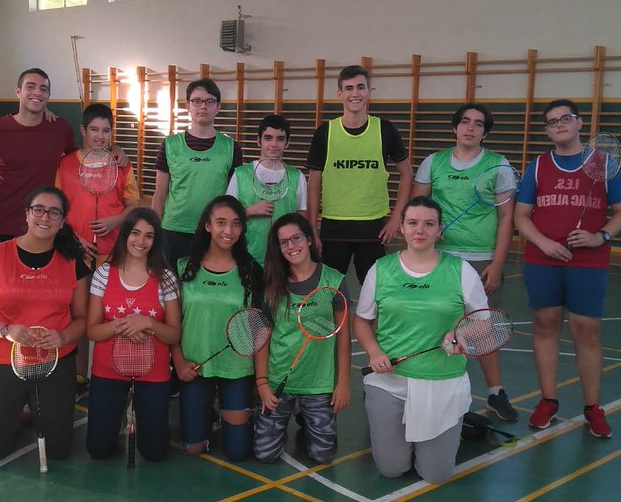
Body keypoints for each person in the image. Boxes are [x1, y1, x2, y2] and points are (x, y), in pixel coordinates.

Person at [513, 99, 621, 439]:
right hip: (542, 261)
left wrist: (601, 236)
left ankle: (593, 407)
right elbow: (522, 215)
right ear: (547, 131)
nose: (559, 124)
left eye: (566, 118)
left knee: (586, 330)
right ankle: (548, 400)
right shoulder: (537, 167)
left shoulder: (603, 164)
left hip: (588, 262)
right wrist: (544, 243)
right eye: (552, 122)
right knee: (545, 325)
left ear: (579, 123)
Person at [352, 196, 489, 484]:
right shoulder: (381, 269)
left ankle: (448, 431)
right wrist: (374, 351)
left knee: (435, 475)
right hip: (390, 383)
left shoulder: (461, 271)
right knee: (391, 469)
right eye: (413, 223)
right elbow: (362, 320)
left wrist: (461, 335)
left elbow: (484, 324)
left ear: (440, 230)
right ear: (401, 227)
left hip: (443, 383)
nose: (420, 230)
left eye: (429, 224)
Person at [0, 187, 90, 466]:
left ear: (63, 220)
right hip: (1, 359)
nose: (46, 217)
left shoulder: (73, 263)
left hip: (55, 361)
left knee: (58, 450)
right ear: (27, 214)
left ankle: (33, 405)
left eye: (54, 212)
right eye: (39, 209)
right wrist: (6, 330)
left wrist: (64, 336)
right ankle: (17, 407)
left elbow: (82, 319)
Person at [411, 102, 518, 423]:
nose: (471, 128)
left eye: (479, 124)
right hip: (439, 257)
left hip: (480, 259)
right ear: (455, 127)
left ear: (485, 132)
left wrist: (497, 263)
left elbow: (506, 218)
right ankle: (431, 388)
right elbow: (419, 206)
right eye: (465, 122)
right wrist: (428, 229)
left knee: (483, 329)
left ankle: (496, 391)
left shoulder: (498, 166)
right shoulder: (434, 162)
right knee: (434, 326)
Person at [85, 207, 182, 462]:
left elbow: (173, 334)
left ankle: (154, 423)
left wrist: (147, 322)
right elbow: (93, 330)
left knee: (154, 453)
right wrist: (126, 325)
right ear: (125, 234)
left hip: (153, 374)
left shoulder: (167, 278)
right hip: (107, 372)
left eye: (149, 236)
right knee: (98, 450)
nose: (141, 241)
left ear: (156, 240)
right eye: (135, 233)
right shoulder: (104, 274)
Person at [253, 213, 350, 465]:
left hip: (318, 383)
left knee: (323, 456)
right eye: (283, 242)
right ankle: (292, 416)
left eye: (296, 238)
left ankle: (306, 419)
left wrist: (342, 384)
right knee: (265, 455)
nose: (291, 246)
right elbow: (263, 336)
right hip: (278, 382)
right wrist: (262, 383)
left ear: (308, 240)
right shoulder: (272, 284)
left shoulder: (334, 281)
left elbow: (342, 338)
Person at [172, 196, 262, 460]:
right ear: (208, 226)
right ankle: (206, 415)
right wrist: (178, 362)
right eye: (221, 223)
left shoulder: (251, 271)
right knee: (193, 449)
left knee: (237, 452)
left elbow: (259, 328)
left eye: (236, 224)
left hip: (237, 370)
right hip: (194, 368)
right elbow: (172, 322)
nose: (228, 231)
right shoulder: (183, 267)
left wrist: (260, 381)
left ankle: (230, 413)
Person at [306, 64, 413, 287]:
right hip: (333, 226)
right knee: (328, 292)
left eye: (360, 87)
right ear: (340, 94)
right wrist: (312, 230)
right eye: (349, 88)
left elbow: (407, 173)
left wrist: (396, 218)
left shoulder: (385, 130)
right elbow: (313, 184)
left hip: (373, 227)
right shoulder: (325, 133)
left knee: (376, 293)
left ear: (369, 91)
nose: (355, 93)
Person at [0, 68, 78, 254]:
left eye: (43, 89)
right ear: (18, 91)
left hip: (41, 229)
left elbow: (82, 158)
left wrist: (114, 149)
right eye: (31, 86)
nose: (37, 92)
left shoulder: (60, 129)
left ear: (48, 96)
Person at [151, 78, 244, 264]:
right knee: (171, 289)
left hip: (214, 231)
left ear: (218, 107)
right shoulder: (170, 145)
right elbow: (159, 194)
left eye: (209, 101)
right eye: (197, 101)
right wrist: (152, 229)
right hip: (173, 230)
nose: (203, 106)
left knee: (206, 289)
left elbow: (235, 198)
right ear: (187, 105)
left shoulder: (231, 147)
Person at [55, 102, 141, 262]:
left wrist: (116, 221)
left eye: (106, 131)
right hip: (75, 246)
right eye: (94, 129)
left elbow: (134, 205)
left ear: (111, 133)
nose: (100, 136)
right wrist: (74, 237)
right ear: (83, 130)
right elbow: (57, 208)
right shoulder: (65, 164)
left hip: (112, 248)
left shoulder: (121, 164)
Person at [226, 114, 308, 266]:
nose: (274, 144)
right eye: (268, 138)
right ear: (259, 141)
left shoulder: (298, 177)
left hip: (285, 259)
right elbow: (227, 216)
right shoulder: (241, 175)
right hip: (248, 256)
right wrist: (250, 211)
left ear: (287, 143)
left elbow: (302, 219)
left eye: (280, 139)